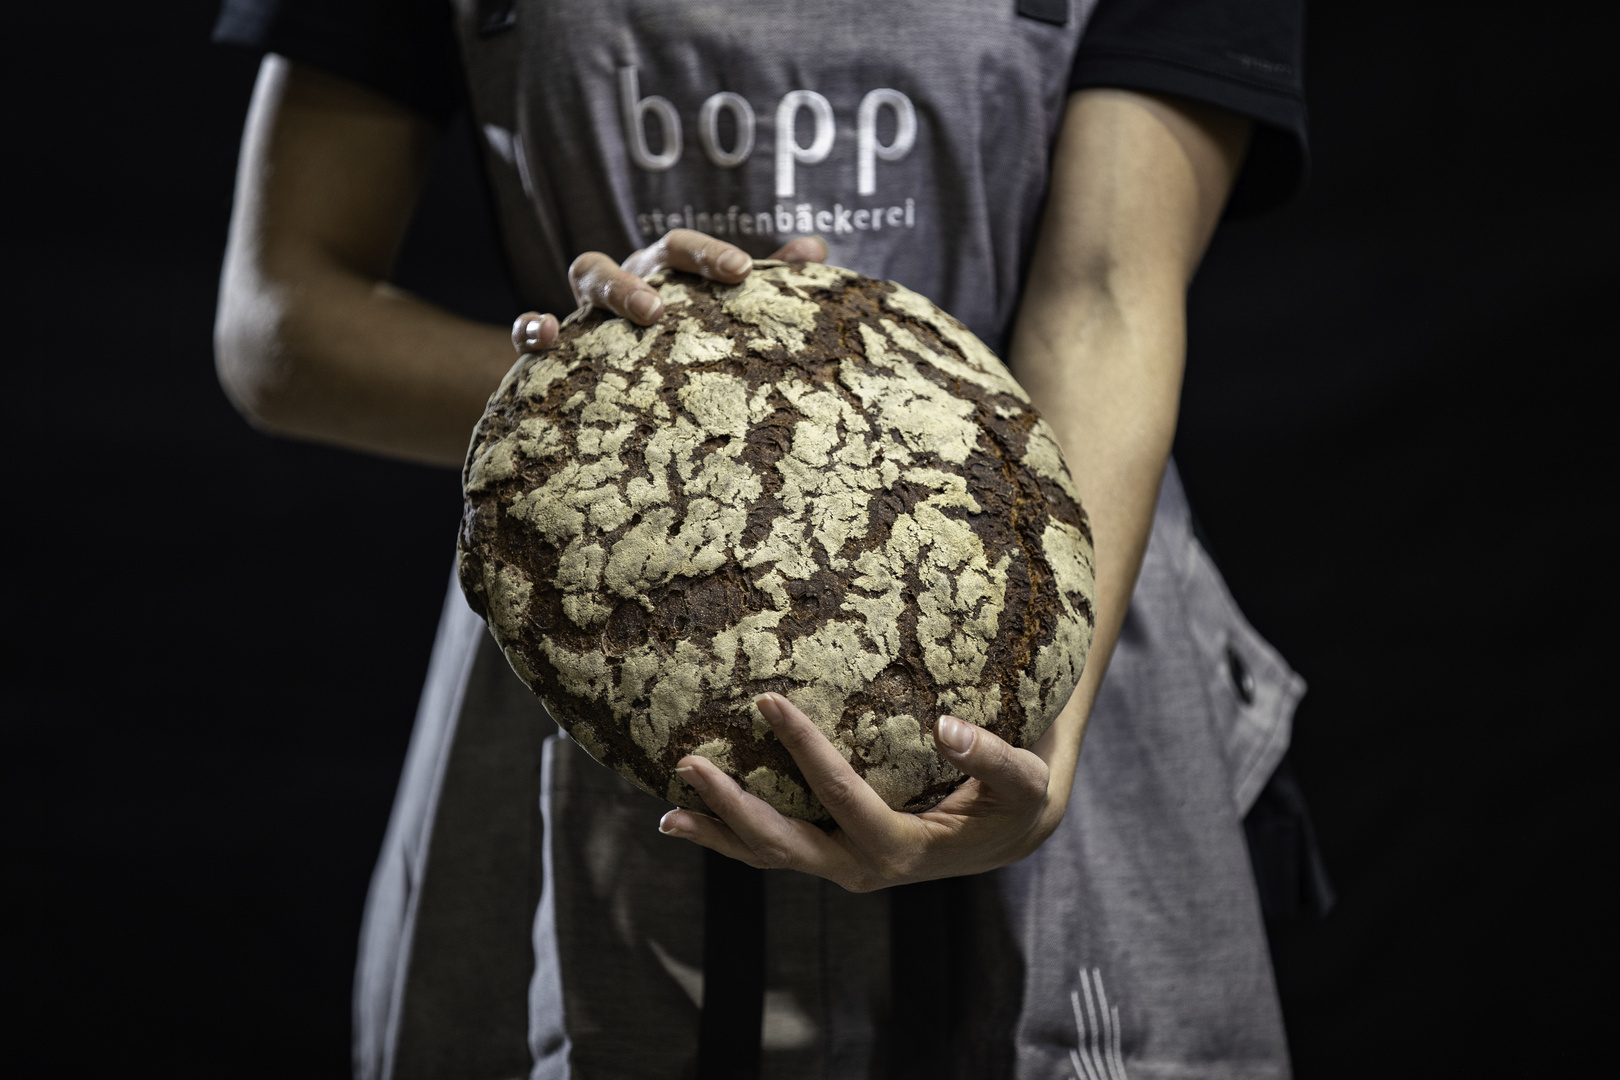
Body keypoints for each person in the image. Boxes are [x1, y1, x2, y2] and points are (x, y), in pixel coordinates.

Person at [213, 1, 1314, 1076]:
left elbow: (1109, 292)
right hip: (606, 642)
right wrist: (625, 398)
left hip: (1061, 635)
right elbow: (278, 318)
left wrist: (1041, 743)